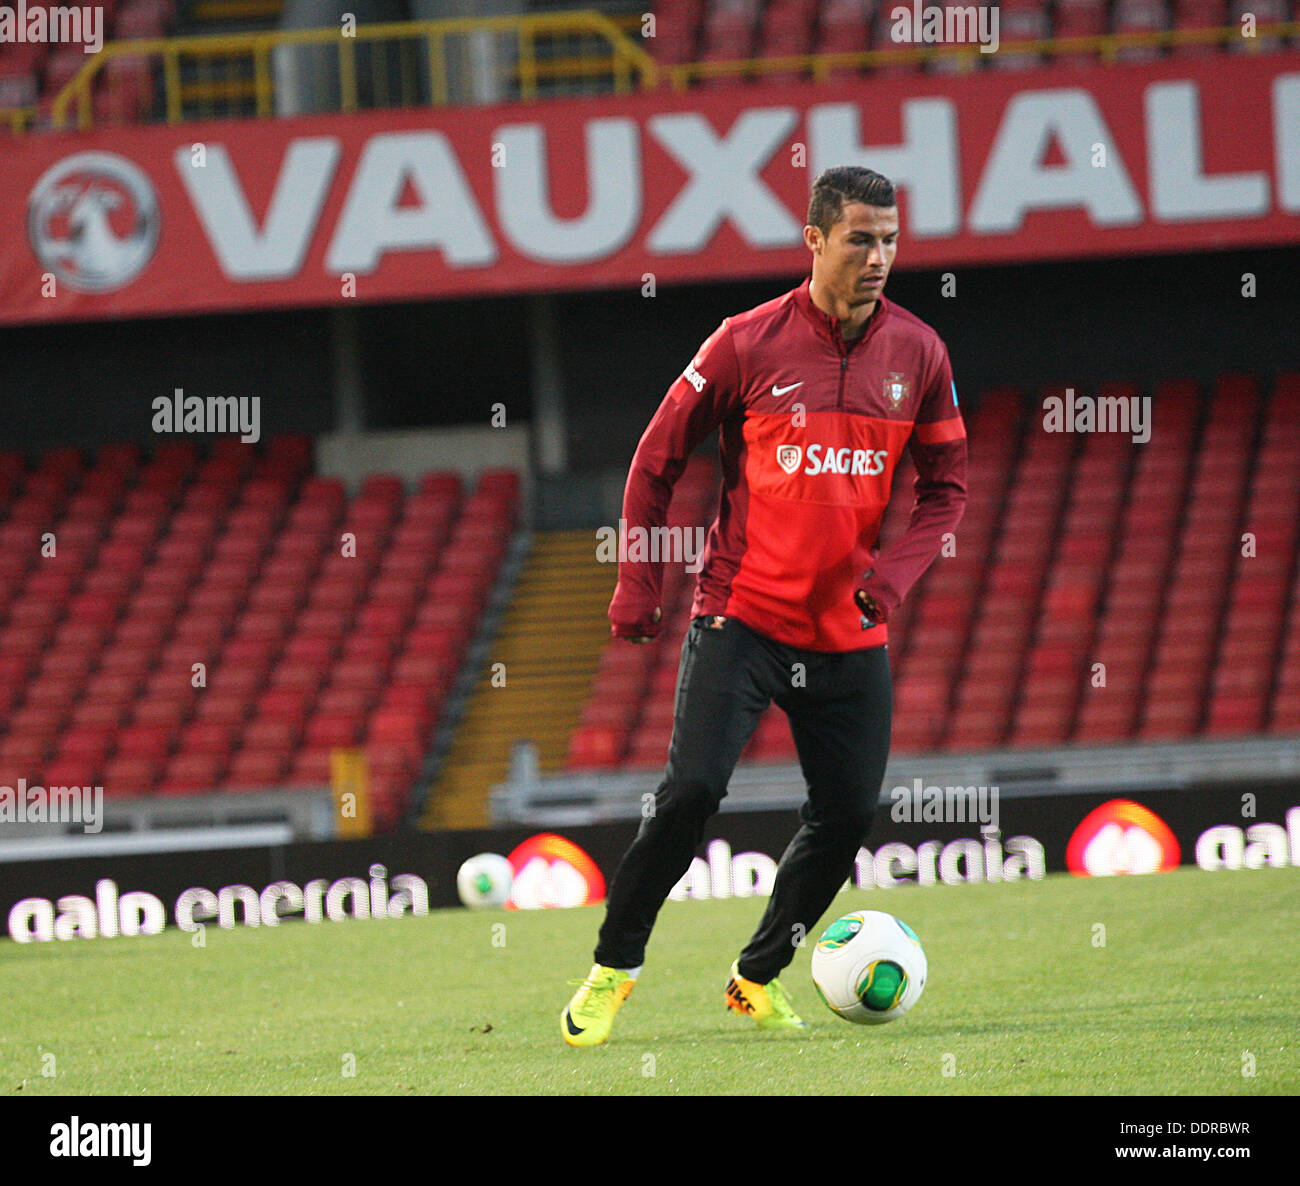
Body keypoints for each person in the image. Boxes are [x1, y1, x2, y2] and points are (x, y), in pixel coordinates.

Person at [561, 165, 968, 1046]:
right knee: (691, 795)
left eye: (891, 240)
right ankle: (613, 969)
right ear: (816, 240)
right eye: (861, 238)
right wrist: (639, 581)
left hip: (850, 633)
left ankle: (756, 977)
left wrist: (891, 576)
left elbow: (948, 490)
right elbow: (653, 459)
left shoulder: (921, 354)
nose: (880, 257)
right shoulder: (744, 343)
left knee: (847, 817)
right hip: (740, 617)